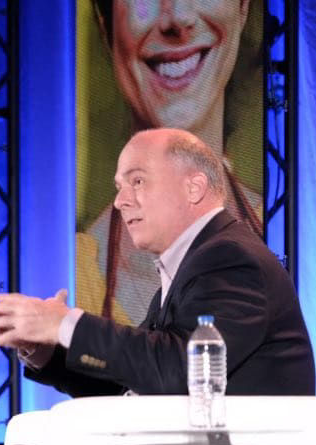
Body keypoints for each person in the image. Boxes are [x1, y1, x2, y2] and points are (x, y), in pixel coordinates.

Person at [0, 128, 316, 445]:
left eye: (137, 181)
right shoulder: (195, 261)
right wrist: (46, 349)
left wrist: (65, 323)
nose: (120, 201)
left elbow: (177, 370)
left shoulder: (229, 259)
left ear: (193, 188)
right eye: (119, 186)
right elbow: (133, 377)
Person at [79, 0, 264, 326]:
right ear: (105, 22)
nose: (177, 18)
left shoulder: (307, 246)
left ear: (243, 7)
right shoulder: (66, 275)